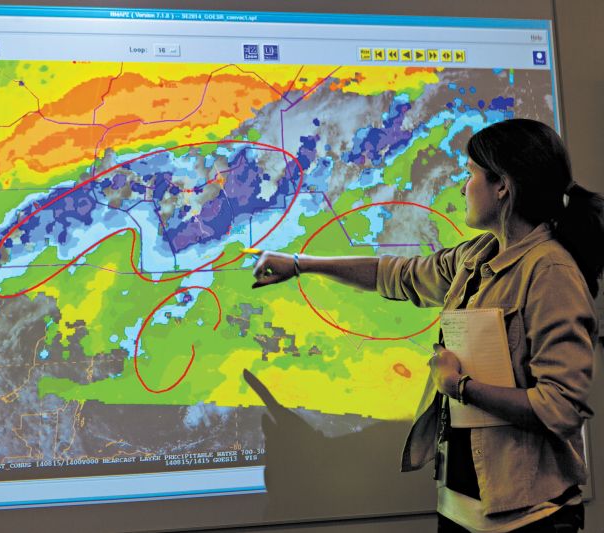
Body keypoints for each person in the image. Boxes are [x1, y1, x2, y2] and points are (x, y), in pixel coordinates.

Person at [250, 118, 604, 532]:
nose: (463, 185)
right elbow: (397, 275)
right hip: (462, 509)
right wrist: (300, 265)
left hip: (527, 518)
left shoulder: (550, 272)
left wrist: (461, 387)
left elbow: (560, 407)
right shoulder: (478, 254)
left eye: (470, 174)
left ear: (503, 186)